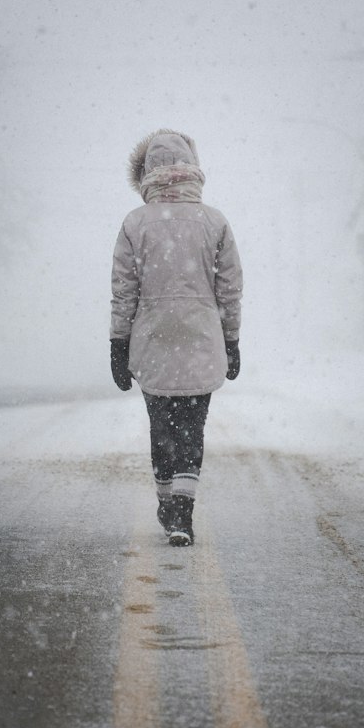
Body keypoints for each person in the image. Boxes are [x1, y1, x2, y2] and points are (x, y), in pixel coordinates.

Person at [110, 129, 243, 547]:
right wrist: (232, 339)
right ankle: (183, 513)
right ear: (192, 169)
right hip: (202, 340)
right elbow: (230, 290)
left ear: (147, 173)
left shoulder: (135, 223)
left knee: (161, 429)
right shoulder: (215, 221)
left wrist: (118, 343)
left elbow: (124, 291)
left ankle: (167, 505)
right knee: (192, 430)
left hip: (152, 342)